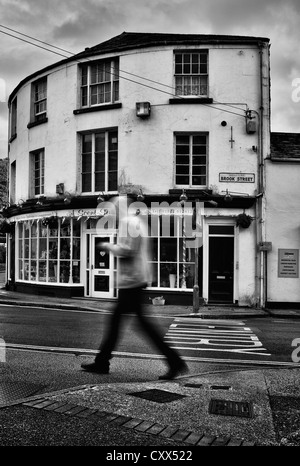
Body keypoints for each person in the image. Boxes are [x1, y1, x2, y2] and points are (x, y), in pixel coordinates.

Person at [81, 195, 188, 380]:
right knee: (120, 323)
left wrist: (108, 246)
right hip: (135, 280)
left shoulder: (129, 222)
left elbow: (128, 250)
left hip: (132, 281)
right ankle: (102, 361)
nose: (111, 213)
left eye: (113, 210)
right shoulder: (136, 222)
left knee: (135, 325)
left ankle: (174, 361)